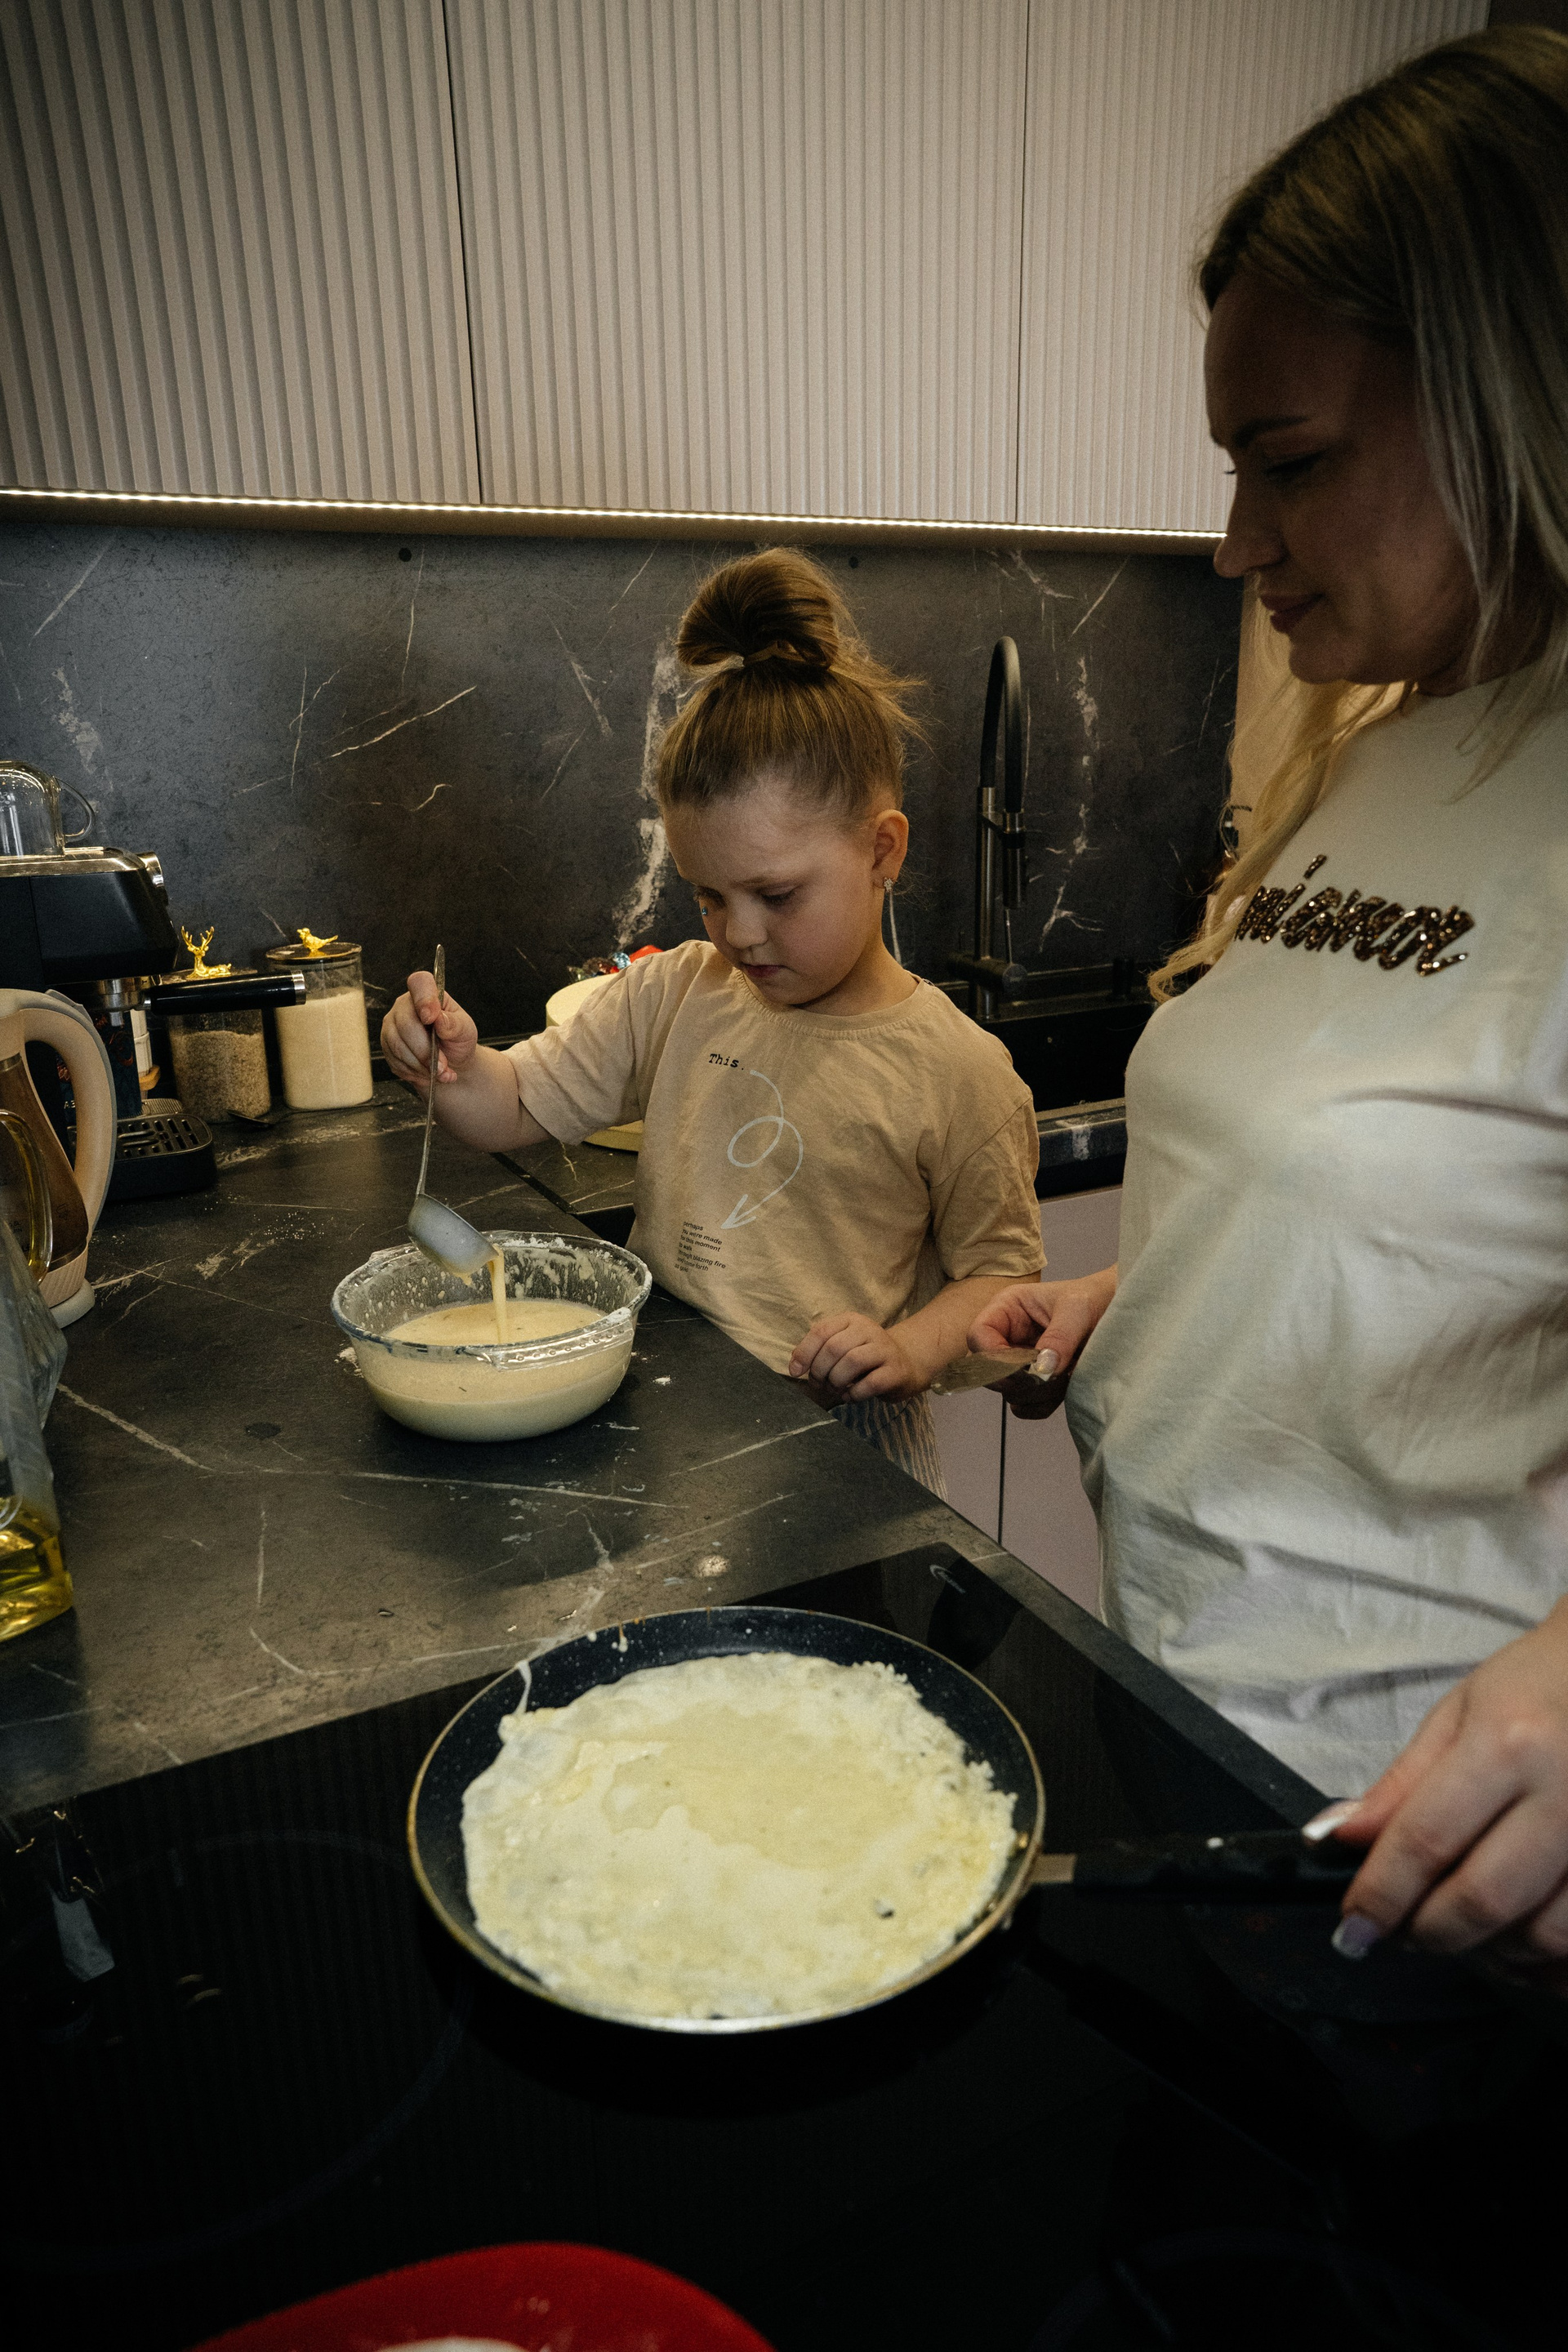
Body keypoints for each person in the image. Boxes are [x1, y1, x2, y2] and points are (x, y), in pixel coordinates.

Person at [973, 25, 1568, 1979]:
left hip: (1427, 1867)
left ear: (1522, 393)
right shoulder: (1390, 750)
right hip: (1196, 1729)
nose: (1236, 544)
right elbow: (1424, 1213)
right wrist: (1170, 1294)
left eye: (1291, 462)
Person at [381, 547, 1044, 1493]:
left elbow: (1004, 1280)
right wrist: (450, 1065)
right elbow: (515, 1102)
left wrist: (907, 1348)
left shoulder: (959, 1073)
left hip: (844, 1451)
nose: (740, 932)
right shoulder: (678, 992)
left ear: (882, 850)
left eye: (777, 894)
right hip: (670, 1417)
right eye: (709, 896)